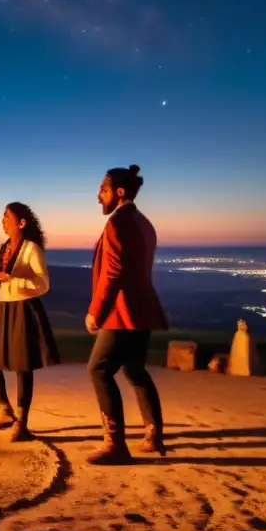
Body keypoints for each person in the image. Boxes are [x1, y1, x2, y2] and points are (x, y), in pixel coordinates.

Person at [84, 164, 169, 465]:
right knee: (134, 369)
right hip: (142, 308)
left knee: (99, 369)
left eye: (102, 190)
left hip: (122, 312)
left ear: (119, 192)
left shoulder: (118, 223)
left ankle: (115, 445)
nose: (98, 196)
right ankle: (154, 435)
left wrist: (96, 311)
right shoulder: (144, 223)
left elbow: (114, 272)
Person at [0, 202, 60, 441]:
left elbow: (43, 284)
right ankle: (4, 410)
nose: (2, 221)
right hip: (2, 308)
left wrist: (12, 280)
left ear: (21, 223)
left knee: (23, 365)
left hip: (24, 309)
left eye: (6, 217)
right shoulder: (0, 249)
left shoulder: (32, 249)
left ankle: (22, 422)